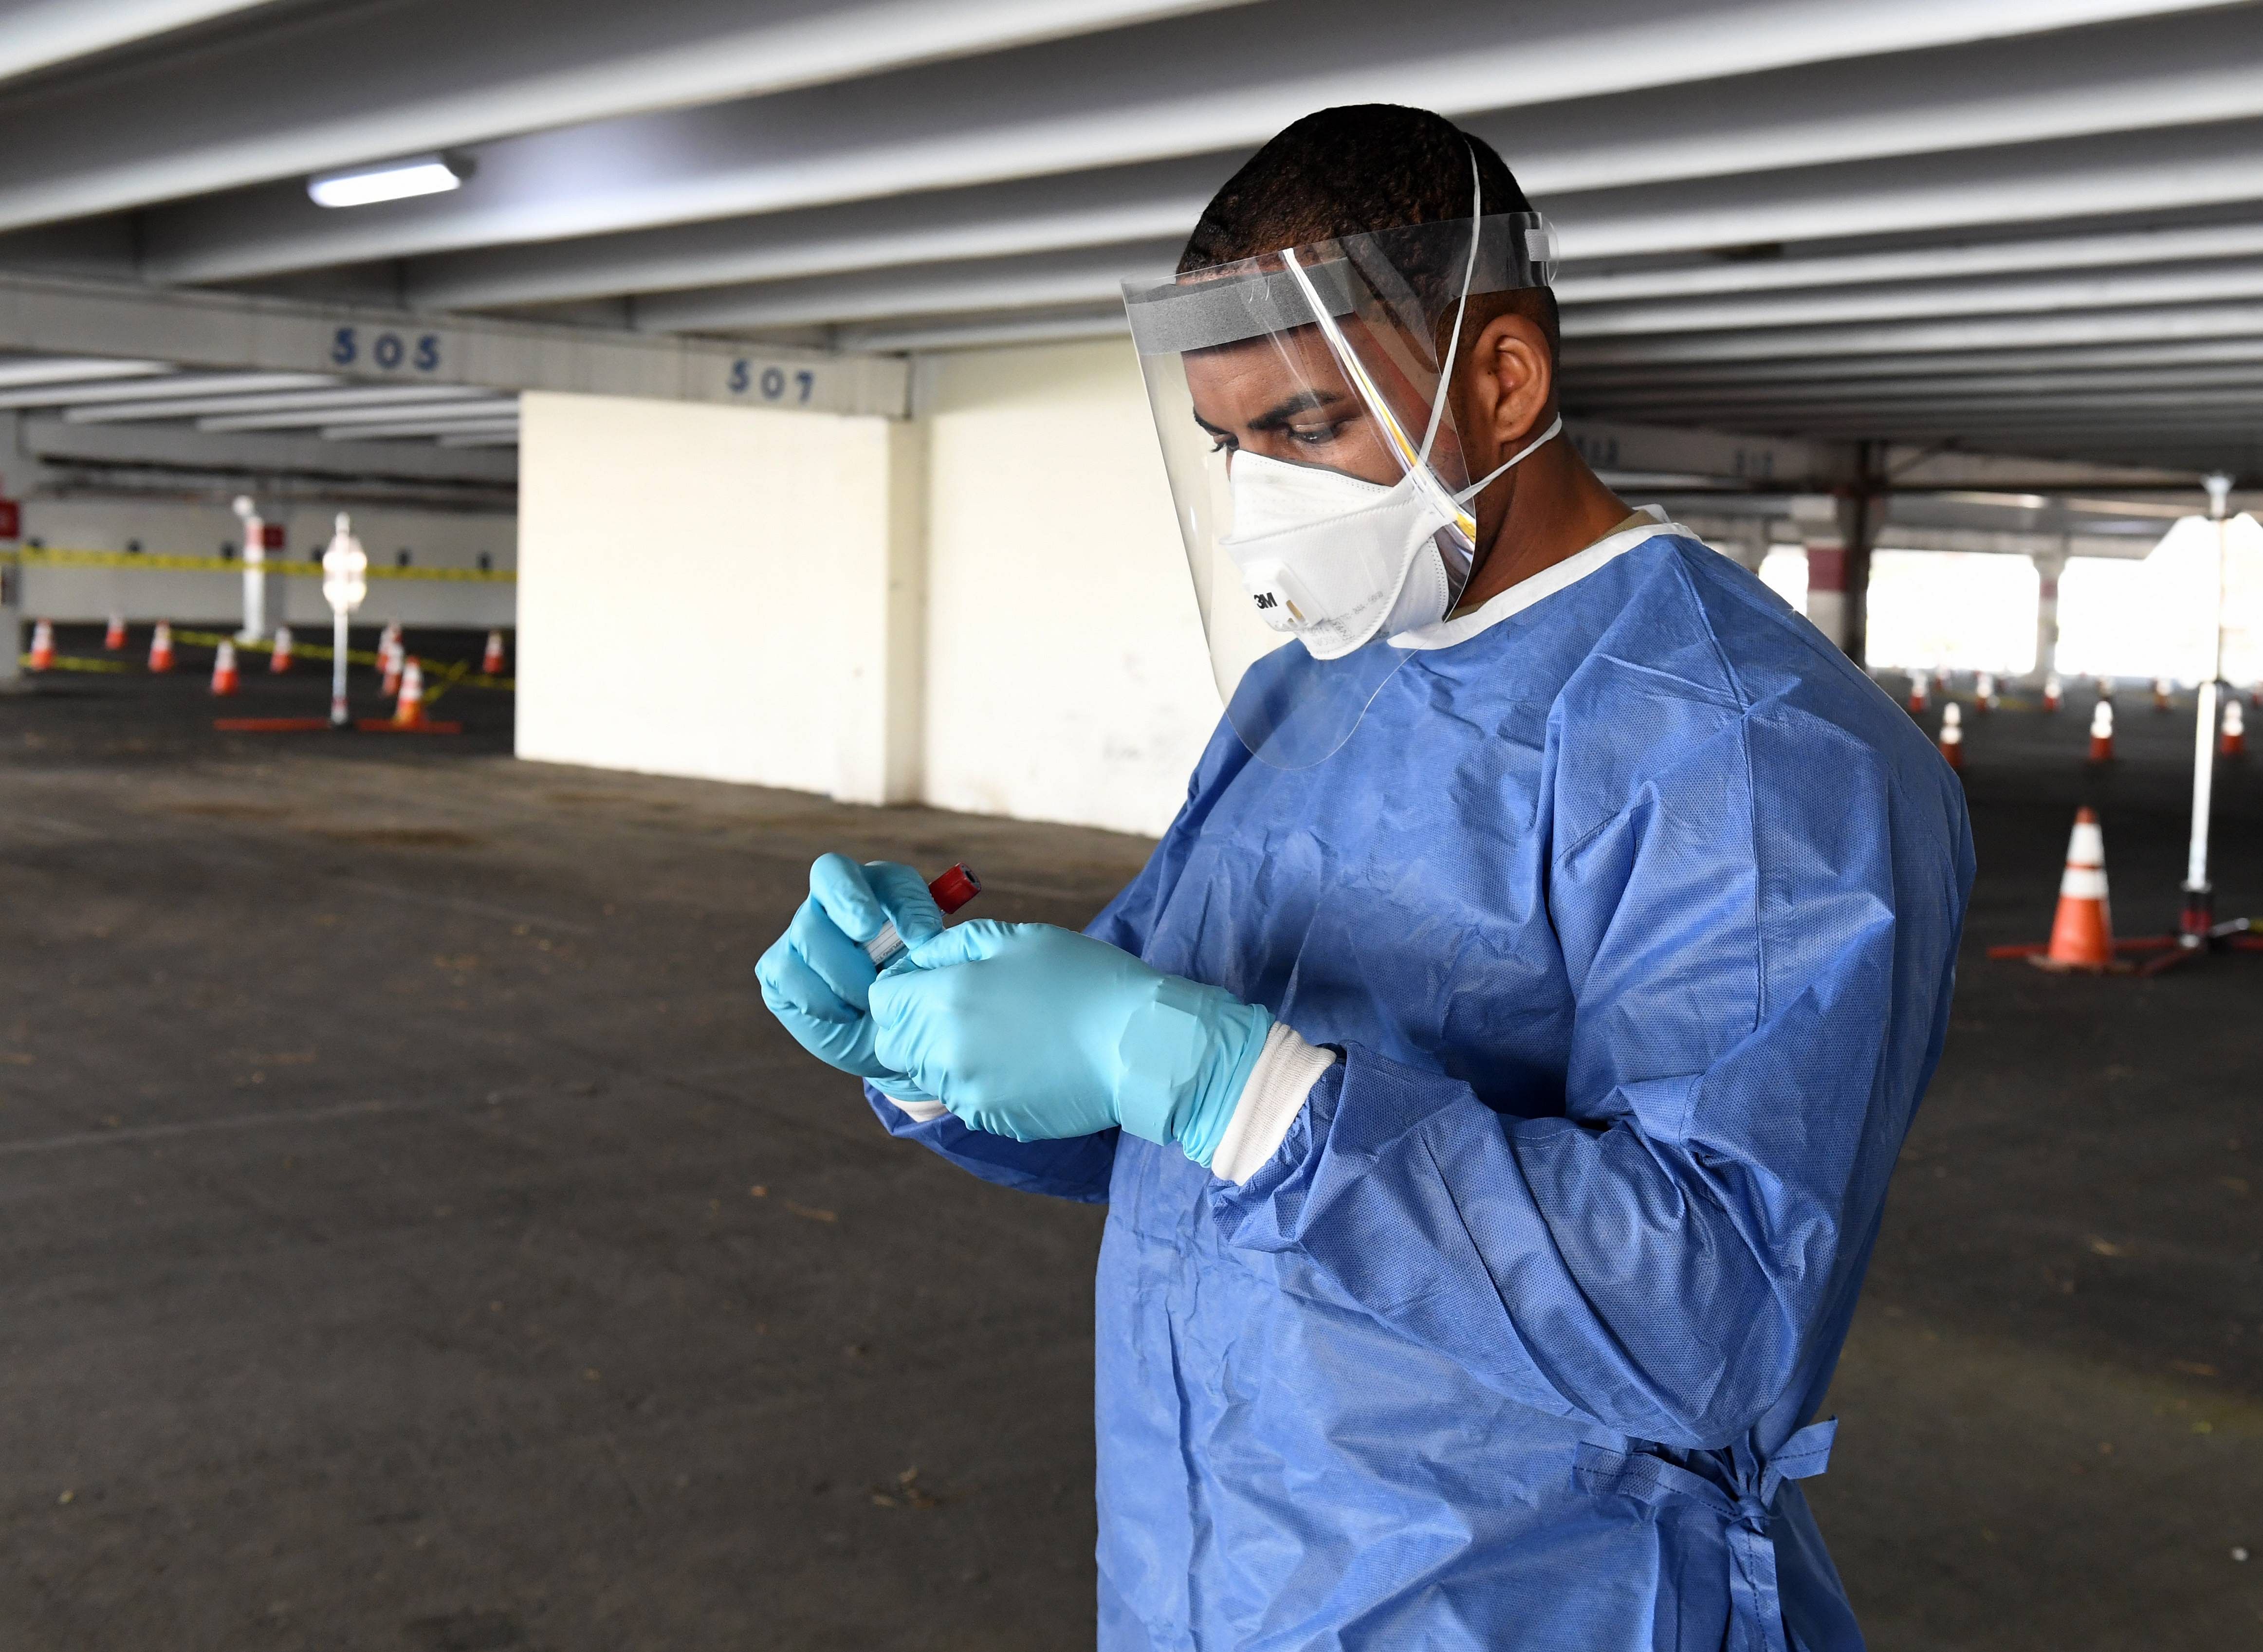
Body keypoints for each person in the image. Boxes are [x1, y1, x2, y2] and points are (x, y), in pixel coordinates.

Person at [759, 104, 1971, 1652]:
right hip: (1211, 1572)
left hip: (1535, 1596)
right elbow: (1145, 1106)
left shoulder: (1746, 749)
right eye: (1228, 441)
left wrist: (1237, 1088)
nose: (1261, 492)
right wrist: (940, 1037)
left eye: (1309, 426)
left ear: (1502, 376)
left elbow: (1718, 1317)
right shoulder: (1308, 690)